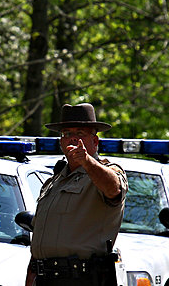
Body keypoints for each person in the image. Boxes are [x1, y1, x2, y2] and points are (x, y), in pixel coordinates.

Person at [26, 103, 128, 286]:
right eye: (67, 134)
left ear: (95, 142)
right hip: (45, 278)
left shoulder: (106, 172)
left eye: (80, 134)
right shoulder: (52, 183)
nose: (73, 139)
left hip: (82, 278)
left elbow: (114, 189)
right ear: (61, 142)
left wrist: (87, 161)